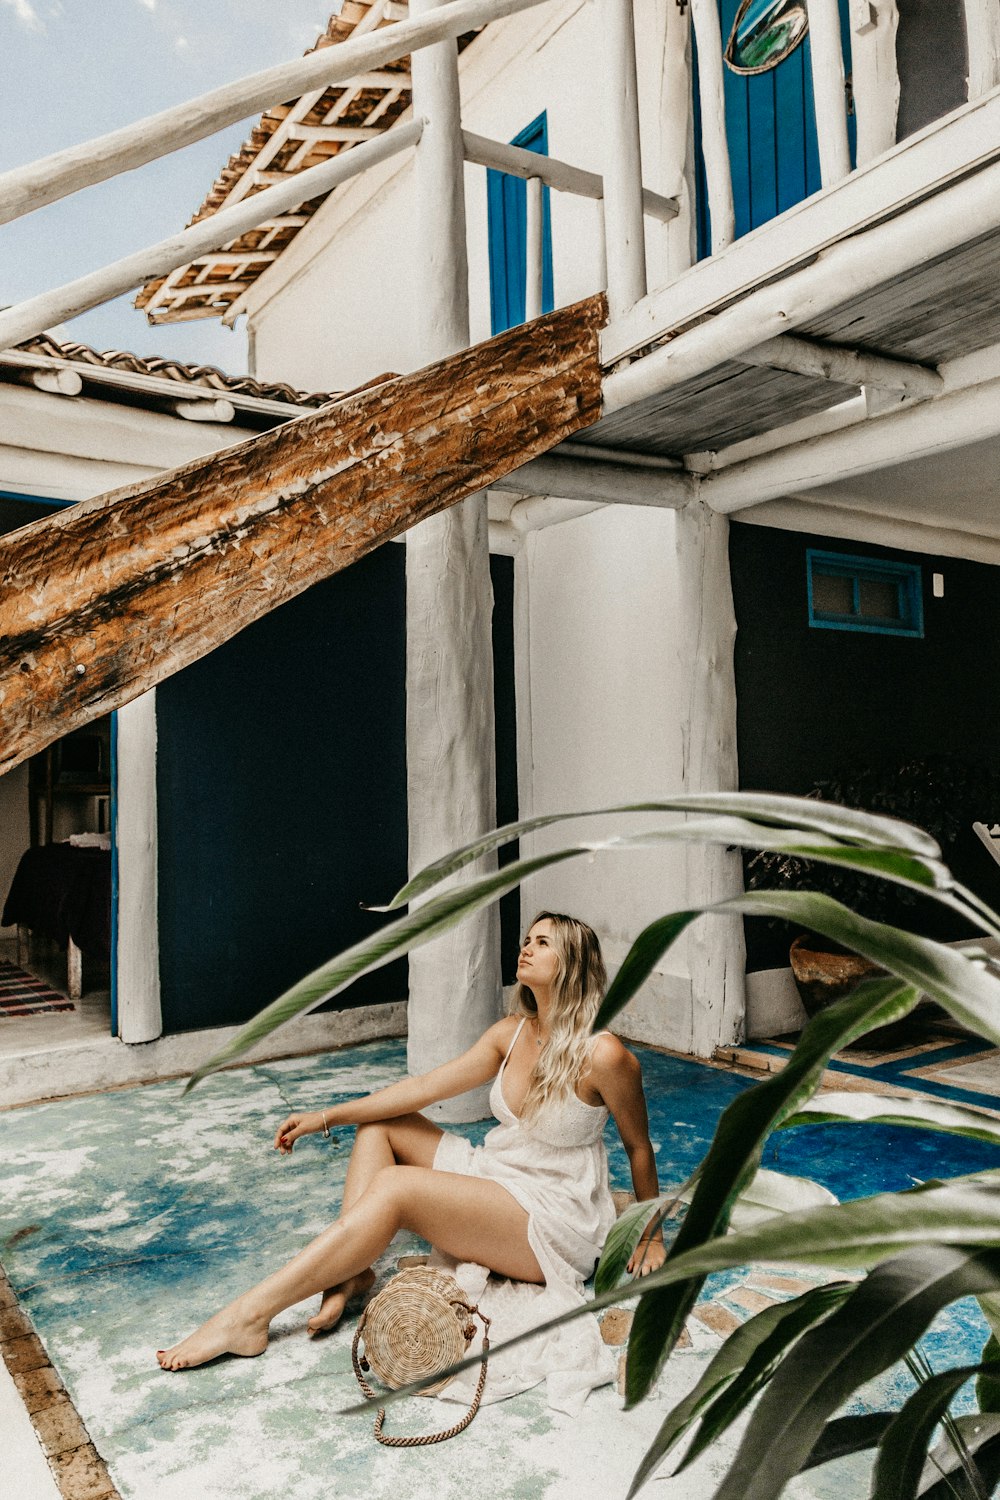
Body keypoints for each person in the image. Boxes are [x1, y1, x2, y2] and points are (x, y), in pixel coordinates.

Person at [157, 912, 665, 1378]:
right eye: (525, 940)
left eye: (542, 942)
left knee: (398, 1188)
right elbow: (423, 1089)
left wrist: (651, 1234)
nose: (525, 949)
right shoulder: (511, 1033)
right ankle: (350, 1276)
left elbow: (638, 1148)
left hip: (552, 1217)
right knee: (381, 1126)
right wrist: (327, 1116)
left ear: (573, 962)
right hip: (497, 1175)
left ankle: (248, 1317)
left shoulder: (605, 1055)